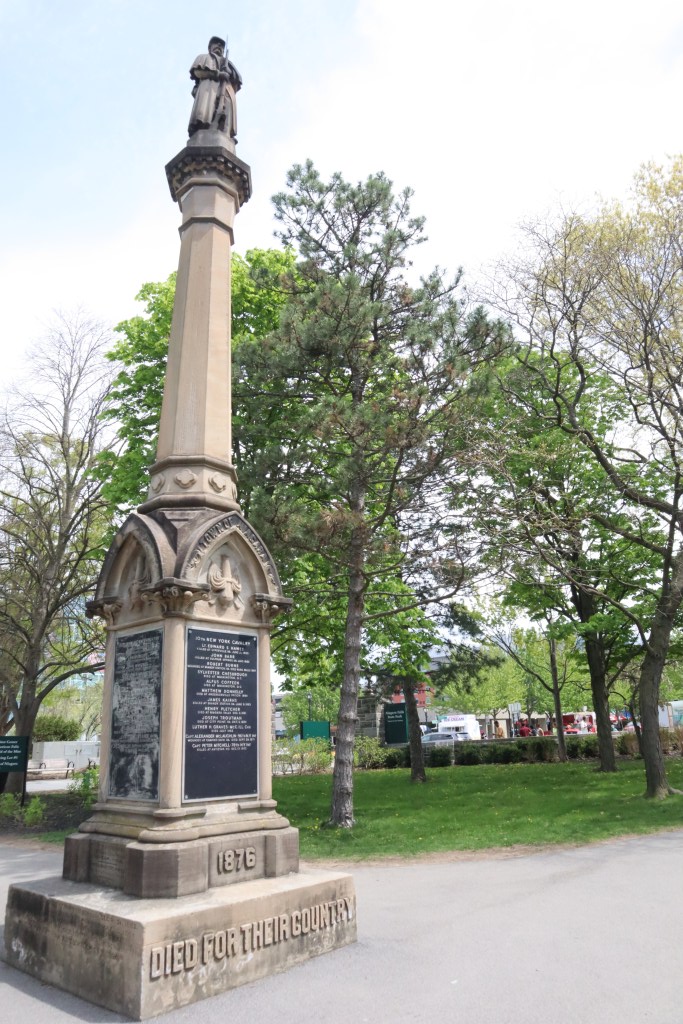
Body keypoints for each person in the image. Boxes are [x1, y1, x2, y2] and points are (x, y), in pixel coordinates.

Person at [188, 37, 242, 139]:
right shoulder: (203, 57)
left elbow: (237, 82)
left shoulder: (228, 64)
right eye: (216, 43)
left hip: (227, 92)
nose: (219, 46)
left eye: (221, 45)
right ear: (209, 47)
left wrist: (229, 72)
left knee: (226, 119)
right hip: (208, 89)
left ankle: (225, 135)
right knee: (205, 114)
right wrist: (218, 74)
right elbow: (198, 72)